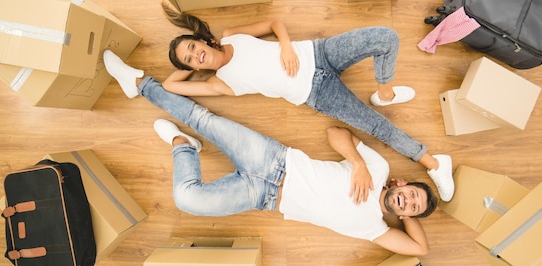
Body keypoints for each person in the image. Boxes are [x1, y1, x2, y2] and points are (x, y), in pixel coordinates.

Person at [103, 4, 455, 202]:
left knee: (386, 37)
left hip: (318, 52)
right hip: (316, 93)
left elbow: (274, 22)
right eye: (190, 61)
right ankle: (434, 162)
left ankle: (385, 93)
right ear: (193, 69)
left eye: (194, 48)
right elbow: (170, 84)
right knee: (376, 126)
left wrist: (286, 45)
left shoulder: (232, 37)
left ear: (204, 40)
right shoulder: (220, 84)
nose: (197, 57)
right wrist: (187, 72)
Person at [135, 76, 438, 256]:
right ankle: (141, 84)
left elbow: (421, 249)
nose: (408, 201)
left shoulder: (377, 229)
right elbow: (335, 134)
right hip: (275, 160)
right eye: (412, 194)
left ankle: (183, 146)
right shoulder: (379, 168)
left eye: (412, 207)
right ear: (401, 182)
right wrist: (359, 164)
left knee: (187, 200)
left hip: (262, 196)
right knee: (204, 120)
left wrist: (409, 212)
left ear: (404, 215)